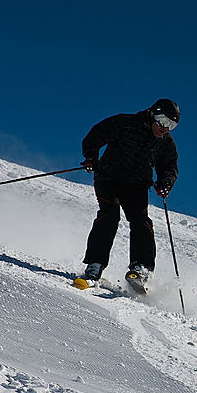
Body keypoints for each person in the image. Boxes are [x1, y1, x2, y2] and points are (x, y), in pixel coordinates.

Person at [77, 98, 180, 288]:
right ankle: (95, 266)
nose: (165, 128)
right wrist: (91, 156)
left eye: (171, 125)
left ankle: (140, 269)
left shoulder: (164, 141)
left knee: (141, 221)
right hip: (109, 178)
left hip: (137, 186)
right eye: (164, 122)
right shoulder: (125, 123)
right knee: (110, 215)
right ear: (153, 114)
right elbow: (97, 134)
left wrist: (166, 182)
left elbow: (169, 166)